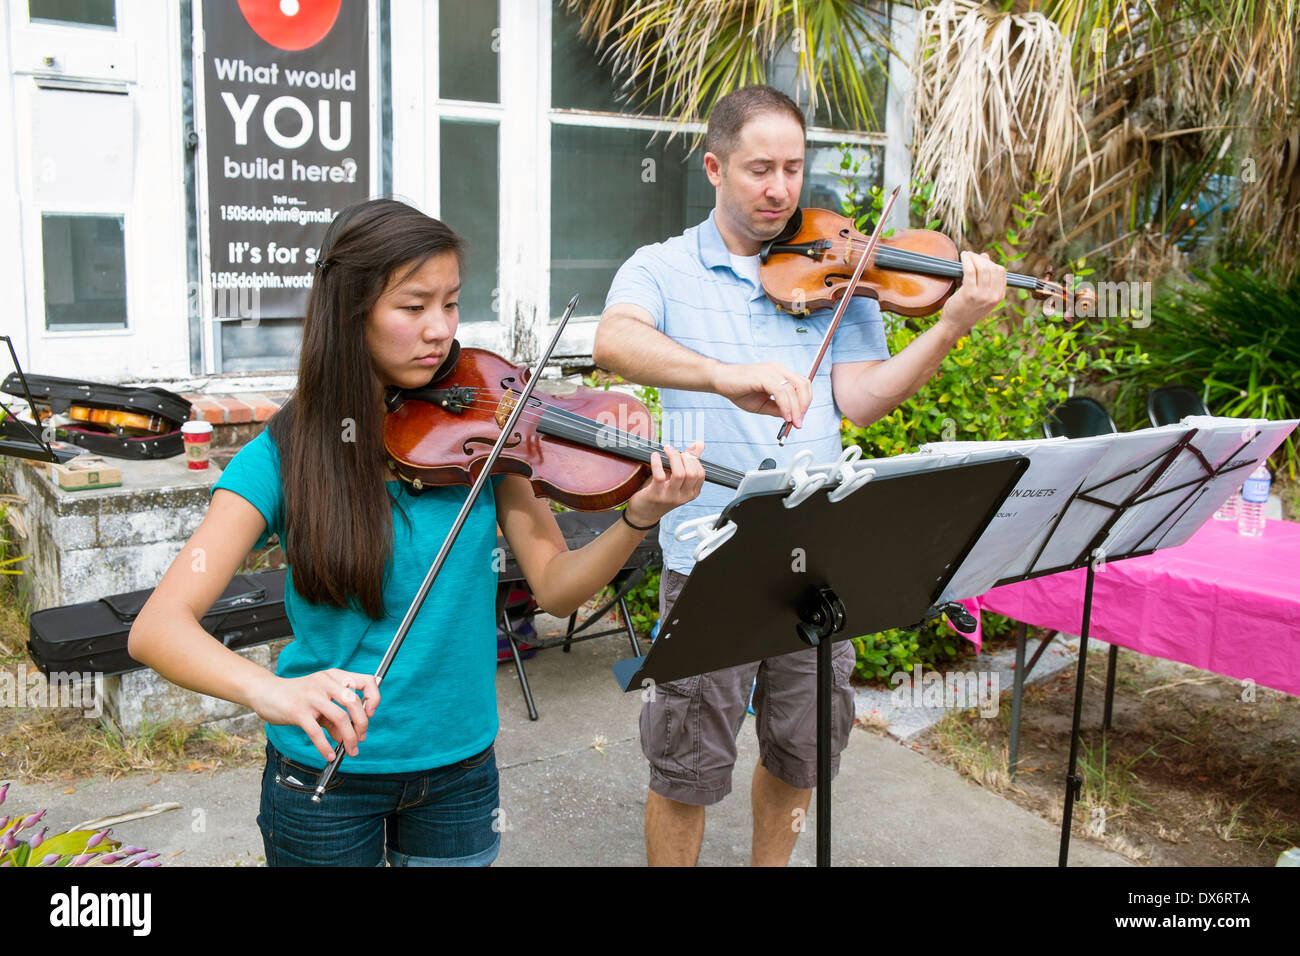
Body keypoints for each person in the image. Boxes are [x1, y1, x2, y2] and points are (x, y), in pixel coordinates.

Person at [128, 199, 705, 867]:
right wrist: (277, 693)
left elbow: (556, 589)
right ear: (353, 312)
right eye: (414, 306)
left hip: (460, 775)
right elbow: (158, 628)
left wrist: (639, 516)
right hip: (326, 779)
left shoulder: (487, 435)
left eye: (452, 304)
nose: (440, 330)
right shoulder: (282, 455)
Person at [592, 85, 1007, 866]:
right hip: (710, 554)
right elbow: (614, 340)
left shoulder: (837, 265)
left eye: (792, 168)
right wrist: (720, 374)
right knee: (686, 765)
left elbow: (862, 398)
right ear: (714, 167)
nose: (780, 189)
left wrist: (949, 327)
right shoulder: (665, 267)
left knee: (800, 753)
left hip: (819, 560)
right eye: (758, 169)